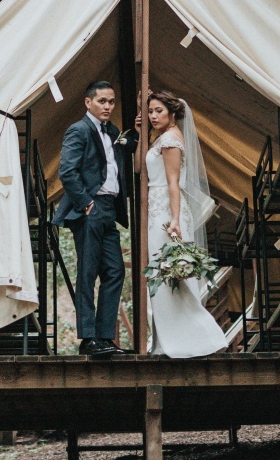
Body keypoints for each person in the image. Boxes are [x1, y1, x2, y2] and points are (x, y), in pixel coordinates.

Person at [52, 80, 137, 359]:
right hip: (89, 209)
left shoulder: (112, 131)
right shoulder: (78, 130)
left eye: (111, 102)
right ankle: (88, 339)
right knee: (88, 273)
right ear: (88, 102)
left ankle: (104, 337)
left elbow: (122, 153)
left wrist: (136, 131)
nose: (108, 106)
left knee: (115, 271)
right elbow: (67, 171)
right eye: (102, 101)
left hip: (109, 209)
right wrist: (86, 202)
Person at [144, 90, 227, 359]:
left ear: (171, 113)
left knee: (169, 273)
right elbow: (139, 168)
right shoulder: (160, 138)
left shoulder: (170, 140)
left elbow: (172, 183)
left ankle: (193, 337)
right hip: (159, 209)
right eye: (150, 111)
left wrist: (176, 220)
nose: (153, 115)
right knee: (163, 274)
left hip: (167, 213)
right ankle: (169, 338)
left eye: (158, 111)